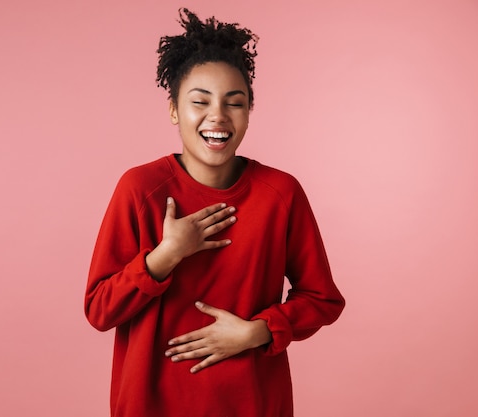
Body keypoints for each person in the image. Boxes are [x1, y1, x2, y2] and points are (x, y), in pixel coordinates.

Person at [85, 8, 345, 417]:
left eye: (234, 103)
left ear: (248, 112)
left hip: (252, 403)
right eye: (199, 102)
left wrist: (256, 332)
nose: (218, 116)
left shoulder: (281, 194)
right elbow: (99, 310)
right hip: (151, 405)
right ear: (174, 110)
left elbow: (322, 299)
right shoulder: (140, 189)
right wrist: (166, 255)